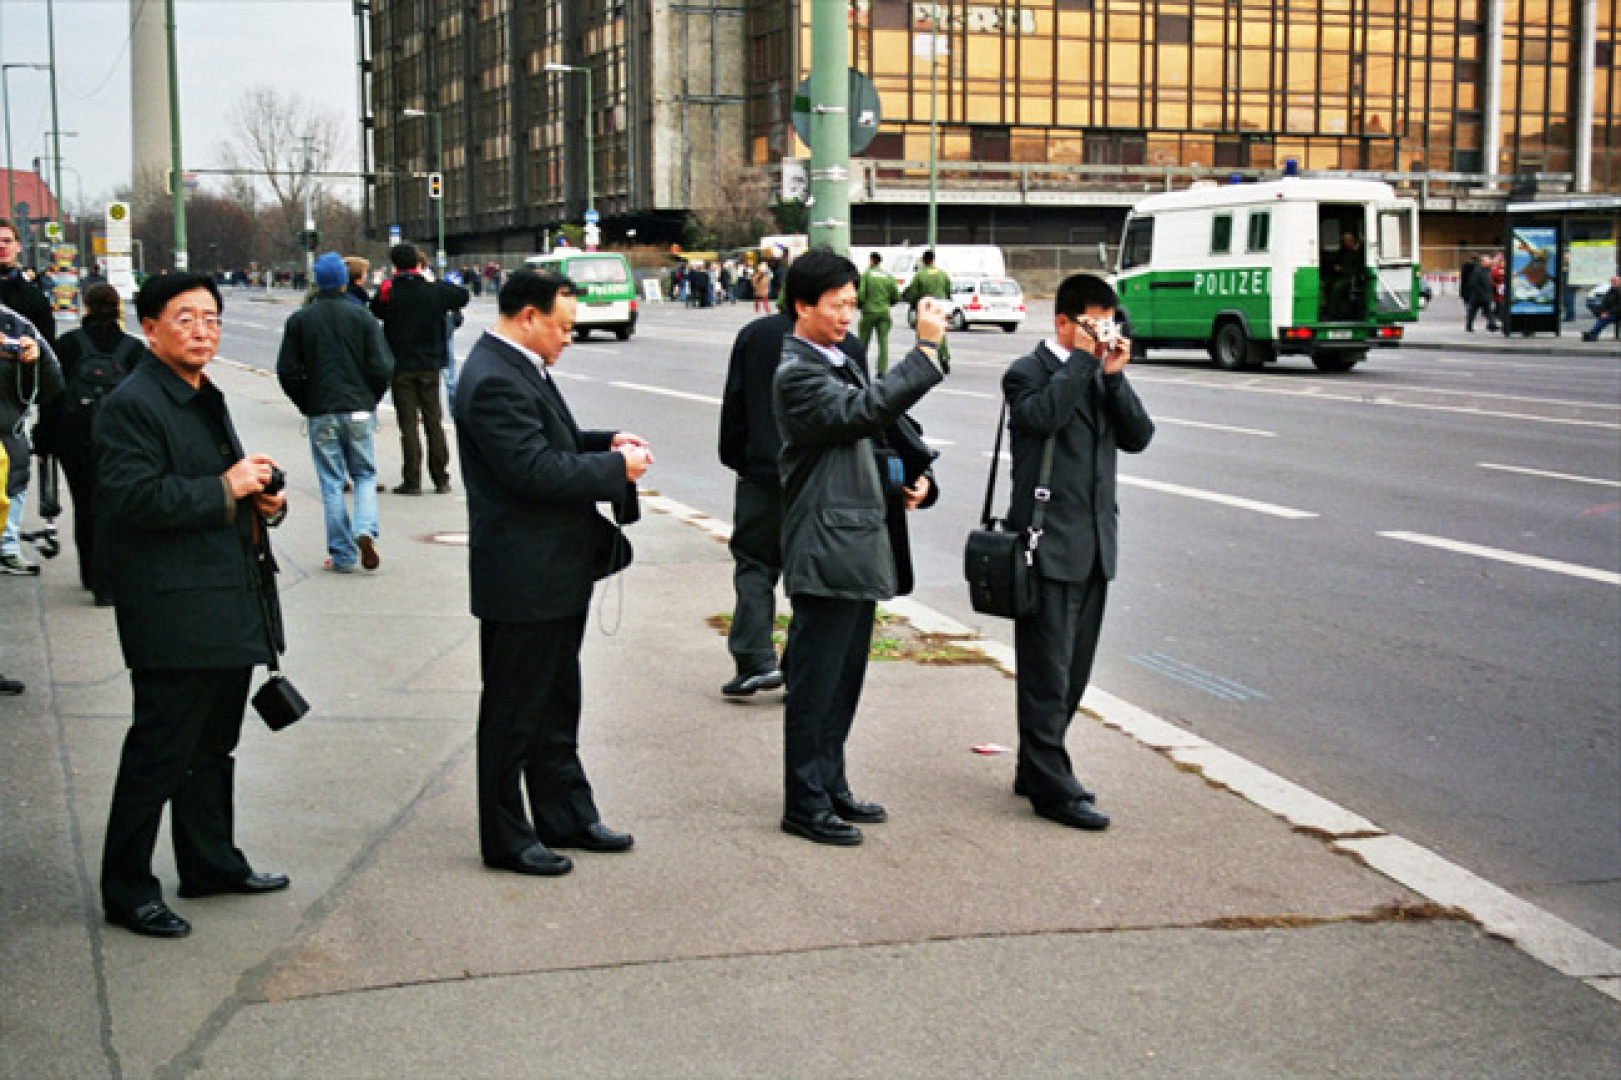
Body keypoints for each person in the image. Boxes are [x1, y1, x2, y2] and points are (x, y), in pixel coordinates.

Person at [95, 272, 292, 939]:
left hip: (225, 599)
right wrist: (224, 486)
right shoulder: (132, 403)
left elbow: (218, 487)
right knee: (158, 751)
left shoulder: (201, 392)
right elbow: (132, 501)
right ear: (148, 328)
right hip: (172, 610)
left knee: (214, 745)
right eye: (185, 319)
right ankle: (127, 888)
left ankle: (210, 862)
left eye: (211, 318)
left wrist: (264, 499)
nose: (203, 330)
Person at [453, 268, 653, 878]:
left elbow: (552, 440)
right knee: (515, 713)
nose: (570, 337)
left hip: (552, 570)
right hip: (523, 575)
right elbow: (533, 471)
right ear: (529, 317)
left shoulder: (517, 366)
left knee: (557, 701)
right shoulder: (491, 379)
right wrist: (615, 469)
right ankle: (507, 837)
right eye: (563, 327)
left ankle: (565, 813)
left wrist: (602, 442)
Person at [772, 249, 948, 846]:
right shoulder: (796, 371)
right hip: (825, 546)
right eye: (837, 304)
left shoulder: (839, 357)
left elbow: (880, 436)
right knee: (816, 682)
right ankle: (804, 802)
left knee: (845, 679)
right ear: (802, 305)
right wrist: (923, 352)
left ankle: (831, 783)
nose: (848, 315)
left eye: (852, 304)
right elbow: (861, 412)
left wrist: (915, 476)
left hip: (856, 538)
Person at [1002, 274, 1154, 832]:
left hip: (1093, 544)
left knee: (1074, 671)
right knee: (1047, 670)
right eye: (1092, 324)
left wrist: (1113, 378)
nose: (1103, 334)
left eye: (1109, 322)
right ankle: (1050, 783)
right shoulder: (1028, 373)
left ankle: (1035, 765)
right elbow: (1041, 419)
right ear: (1062, 322)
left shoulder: (1097, 374)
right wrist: (1084, 364)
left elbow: (1139, 437)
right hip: (1045, 542)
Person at [717, 298, 871, 700]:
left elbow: (735, 404)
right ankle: (799, 668)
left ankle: (755, 659)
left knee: (754, 564)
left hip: (763, 473)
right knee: (810, 576)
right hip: (820, 480)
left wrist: (738, 459)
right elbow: (864, 416)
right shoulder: (848, 347)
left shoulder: (755, 335)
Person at [277, 253, 395, 573]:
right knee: (364, 474)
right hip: (358, 407)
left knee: (331, 481)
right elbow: (383, 366)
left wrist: (305, 401)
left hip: (322, 408)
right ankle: (365, 529)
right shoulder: (363, 318)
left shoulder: (301, 320)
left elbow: (287, 370)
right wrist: (371, 398)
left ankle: (342, 554)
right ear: (344, 282)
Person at [30, 283, 141, 602]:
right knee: (117, 504)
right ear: (118, 309)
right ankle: (113, 577)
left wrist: (44, 440)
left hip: (74, 437)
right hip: (122, 441)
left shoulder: (67, 345)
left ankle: (92, 575)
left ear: (86, 308)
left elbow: (50, 397)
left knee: (86, 504)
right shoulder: (133, 350)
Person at [370, 243, 469, 495]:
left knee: (408, 424)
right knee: (433, 421)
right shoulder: (433, 290)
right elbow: (462, 296)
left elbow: (376, 310)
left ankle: (412, 480)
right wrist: (431, 281)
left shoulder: (389, 292)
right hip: (430, 364)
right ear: (417, 263)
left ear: (394, 266)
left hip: (401, 365)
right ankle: (441, 478)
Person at [1, 218, 60, 574]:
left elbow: (49, 359)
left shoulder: (31, 299)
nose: (1, 247)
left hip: (12, 403)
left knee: (15, 472)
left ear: (19, 246)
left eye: (7, 240)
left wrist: (32, 359)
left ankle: (7, 544)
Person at [901, 249, 953, 368]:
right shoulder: (942, 273)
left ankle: (922, 359)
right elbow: (949, 290)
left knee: (922, 333)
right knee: (940, 331)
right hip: (940, 306)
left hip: (927, 306)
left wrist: (912, 302)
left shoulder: (920, 275)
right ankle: (944, 356)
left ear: (924, 260)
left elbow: (914, 292)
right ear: (933, 260)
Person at [857, 251, 901, 375]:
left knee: (863, 342)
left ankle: (859, 368)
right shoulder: (888, 276)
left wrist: (861, 306)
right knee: (883, 342)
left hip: (869, 312)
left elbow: (861, 294)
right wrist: (887, 304)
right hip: (884, 312)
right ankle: (882, 370)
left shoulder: (866, 275)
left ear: (871, 260)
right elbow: (896, 296)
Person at [1462, 256, 1498, 332]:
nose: (1490, 262)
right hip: (1477, 297)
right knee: (1472, 312)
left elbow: (1490, 283)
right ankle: (1469, 326)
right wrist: (1480, 292)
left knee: (1489, 311)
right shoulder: (1477, 271)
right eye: (1488, 261)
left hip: (1486, 296)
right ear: (1483, 262)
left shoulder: (1488, 271)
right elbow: (1473, 283)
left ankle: (1492, 325)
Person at [1581, 276, 1621, 341]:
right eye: (1612, 282)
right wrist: (1602, 311)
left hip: (1617, 313)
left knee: (1604, 318)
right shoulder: (1611, 291)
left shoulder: (1618, 291)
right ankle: (1592, 334)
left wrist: (1608, 312)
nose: (1613, 283)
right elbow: (1604, 303)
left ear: (1619, 282)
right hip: (1612, 312)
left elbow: (1619, 307)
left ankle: (1592, 334)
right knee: (1603, 317)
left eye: (1615, 282)